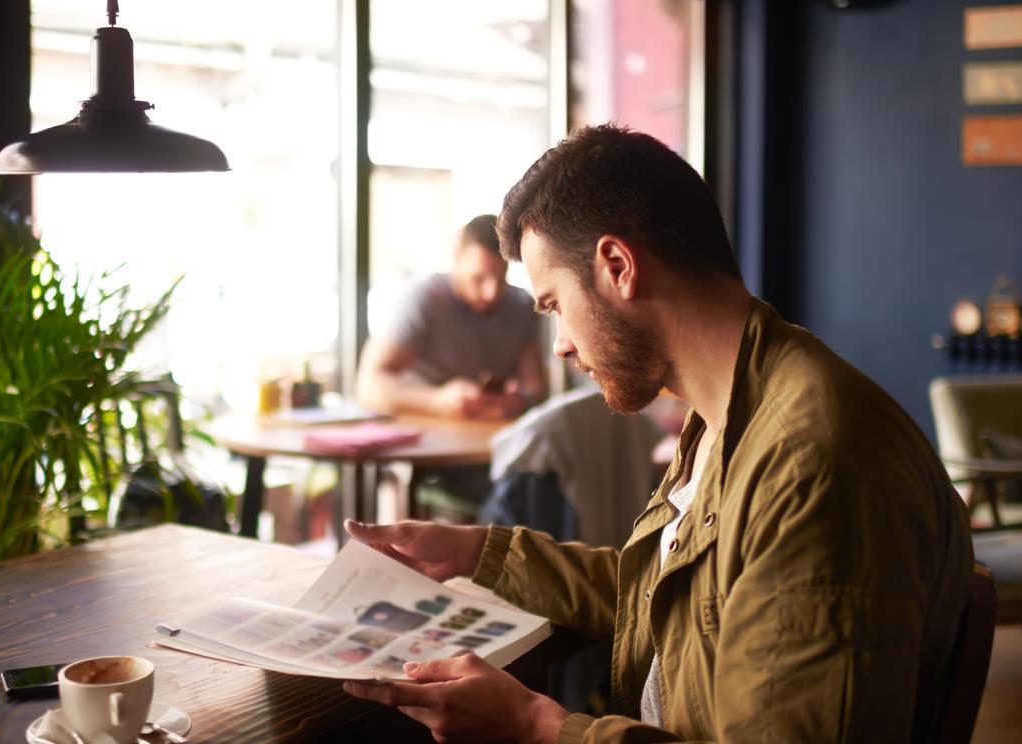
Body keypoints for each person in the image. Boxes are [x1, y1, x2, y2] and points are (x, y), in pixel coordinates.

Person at [341, 125, 973, 742]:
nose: (560, 343)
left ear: (617, 266)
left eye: (555, 303)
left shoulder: (814, 464)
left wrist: (538, 726)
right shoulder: (730, 405)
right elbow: (676, 597)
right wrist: (480, 553)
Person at [357, 215, 545, 422]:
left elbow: (536, 387)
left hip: (488, 437)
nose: (491, 293)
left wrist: (520, 401)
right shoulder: (423, 300)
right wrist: (436, 402)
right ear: (456, 258)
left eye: (500, 279)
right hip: (428, 436)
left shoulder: (521, 305)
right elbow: (368, 386)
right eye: (478, 278)